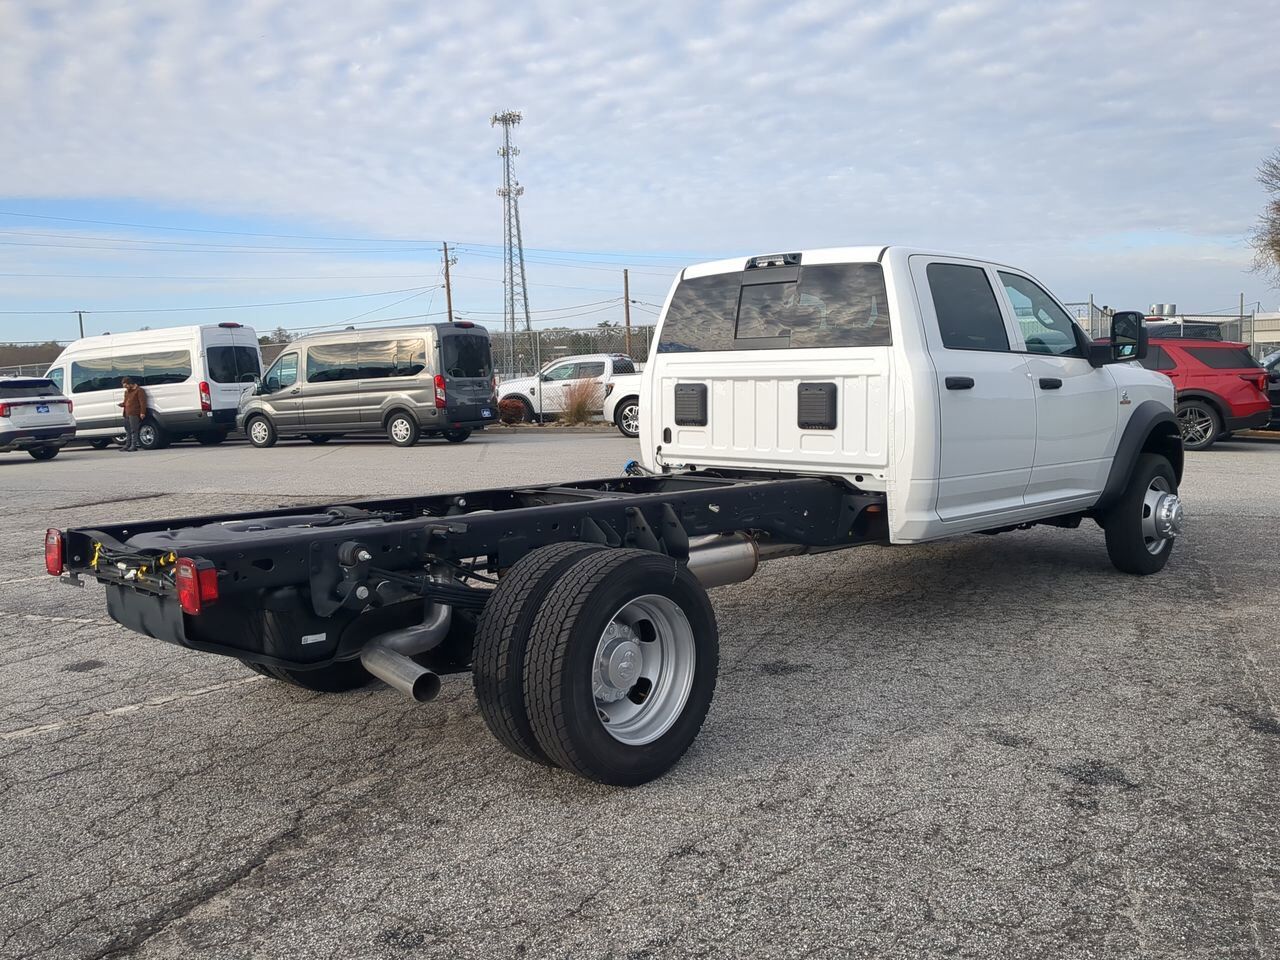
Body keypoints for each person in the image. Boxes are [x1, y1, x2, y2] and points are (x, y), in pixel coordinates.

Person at [119, 377, 148, 452]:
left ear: (130, 384)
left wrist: (142, 412)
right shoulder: (127, 392)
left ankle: (133, 445)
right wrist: (122, 404)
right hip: (126, 413)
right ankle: (127, 445)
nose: (125, 388)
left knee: (134, 430)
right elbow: (125, 402)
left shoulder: (139, 390)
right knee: (127, 430)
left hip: (134, 413)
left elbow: (143, 402)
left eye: (126, 386)